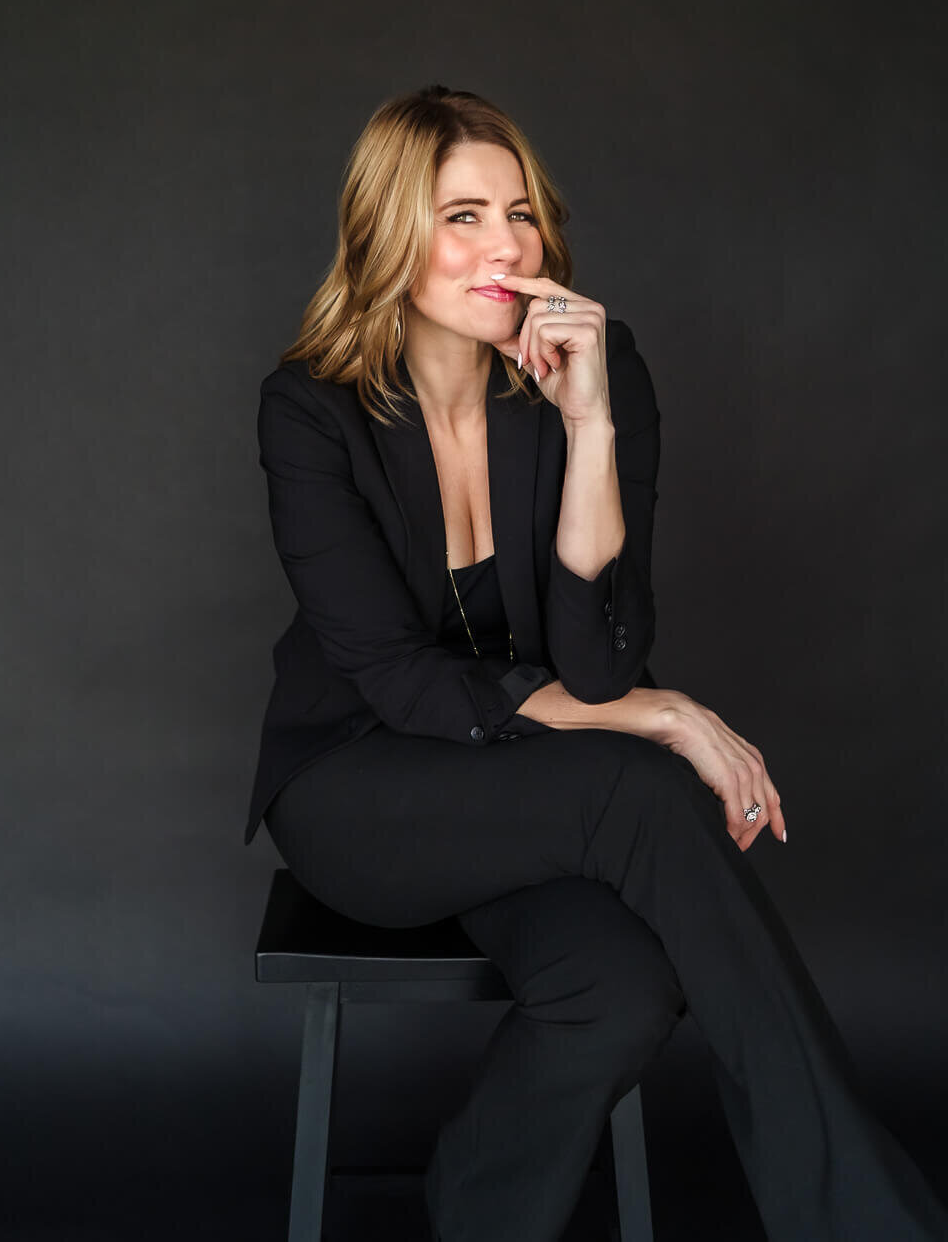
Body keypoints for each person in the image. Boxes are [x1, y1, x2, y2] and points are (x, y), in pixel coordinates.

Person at [247, 84, 948, 1242]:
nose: (505, 245)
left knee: (615, 993)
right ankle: (861, 1220)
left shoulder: (595, 362)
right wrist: (660, 721)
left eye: (518, 213)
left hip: (530, 790)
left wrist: (591, 429)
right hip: (361, 789)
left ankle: (474, 1209)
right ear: (385, 234)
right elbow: (398, 682)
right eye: (460, 215)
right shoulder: (310, 410)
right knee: (641, 782)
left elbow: (599, 659)